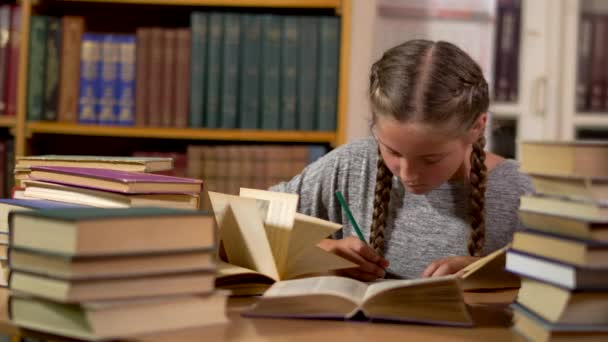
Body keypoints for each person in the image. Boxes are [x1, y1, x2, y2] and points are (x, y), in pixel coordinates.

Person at [270, 39, 533, 281]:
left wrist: (492, 273)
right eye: (393, 152)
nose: (407, 174)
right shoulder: (352, 165)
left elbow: (566, 290)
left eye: (430, 159)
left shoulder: (521, 194)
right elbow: (241, 220)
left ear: (477, 127)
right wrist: (316, 251)